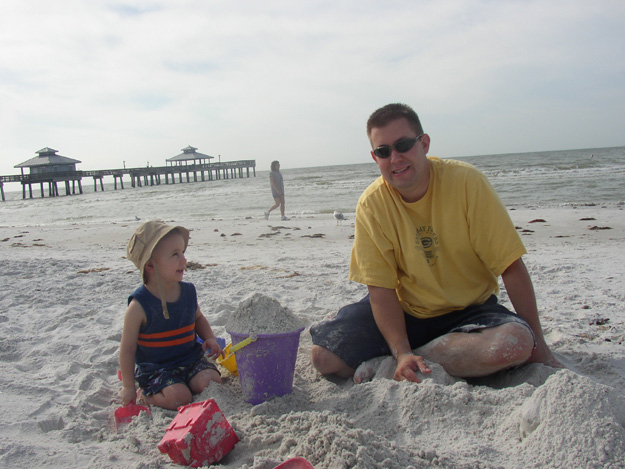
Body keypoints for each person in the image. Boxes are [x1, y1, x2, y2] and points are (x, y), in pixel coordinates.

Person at [310, 103, 561, 384]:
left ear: (424, 143)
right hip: (407, 312)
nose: (395, 158)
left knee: (515, 343)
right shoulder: (372, 204)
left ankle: (406, 359)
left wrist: (540, 345)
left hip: (470, 311)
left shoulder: (466, 183)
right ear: (375, 157)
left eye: (403, 144)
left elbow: (510, 266)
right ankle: (405, 358)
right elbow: (380, 288)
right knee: (323, 358)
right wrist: (400, 349)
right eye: (383, 151)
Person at [119, 220, 224, 410]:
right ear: (150, 265)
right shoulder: (138, 306)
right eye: (175, 254)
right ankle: (147, 395)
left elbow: (198, 318)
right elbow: (127, 350)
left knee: (212, 381)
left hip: (189, 359)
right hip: (156, 368)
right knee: (179, 397)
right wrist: (128, 386)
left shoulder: (188, 292)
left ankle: (184, 382)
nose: (183, 260)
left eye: (183, 252)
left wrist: (209, 338)